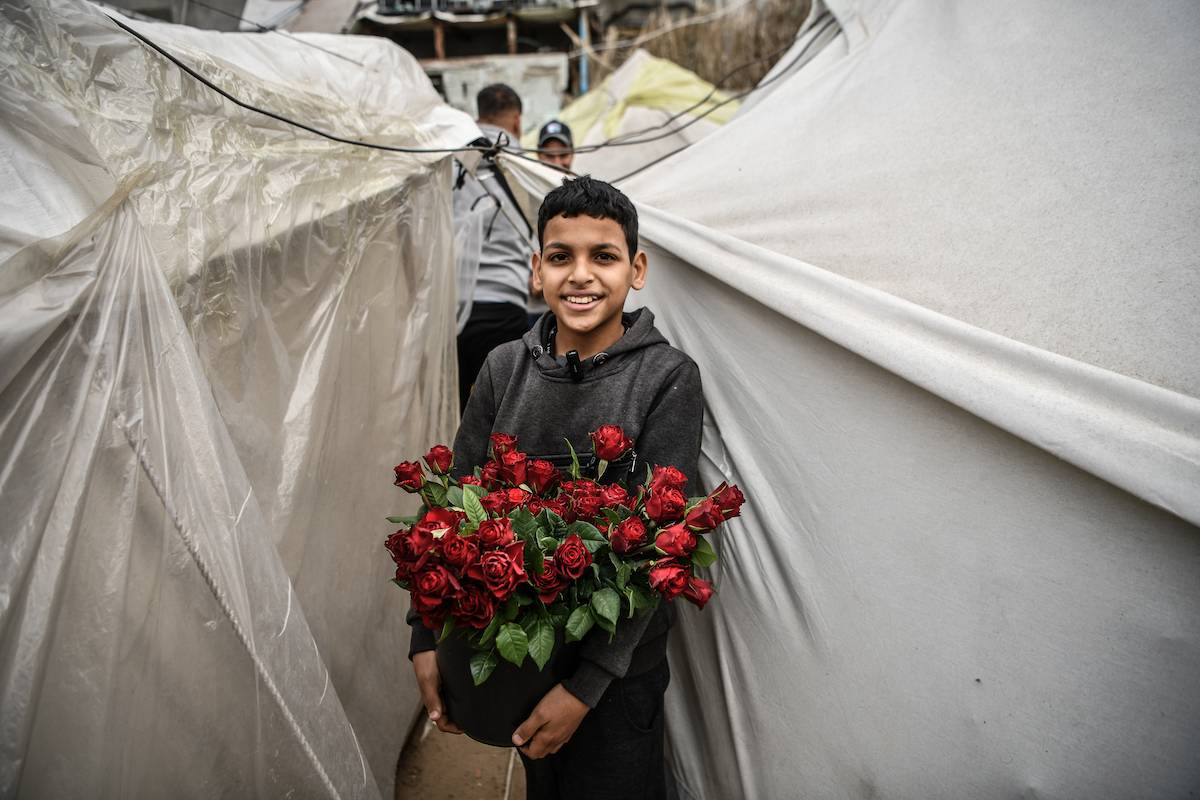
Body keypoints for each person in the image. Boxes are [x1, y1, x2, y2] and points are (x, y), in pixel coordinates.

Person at [410, 176, 704, 800]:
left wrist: (586, 688)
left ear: (637, 268)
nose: (581, 275)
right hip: (517, 665)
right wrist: (424, 634)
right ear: (536, 269)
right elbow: (450, 509)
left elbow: (658, 548)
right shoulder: (503, 368)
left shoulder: (666, 379)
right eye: (561, 256)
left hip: (618, 681)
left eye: (604, 256)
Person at [454, 83, 536, 411]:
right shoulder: (525, 167)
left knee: (457, 413)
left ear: (478, 116)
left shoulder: (452, 160)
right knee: (505, 416)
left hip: (456, 311)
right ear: (516, 121)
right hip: (506, 305)